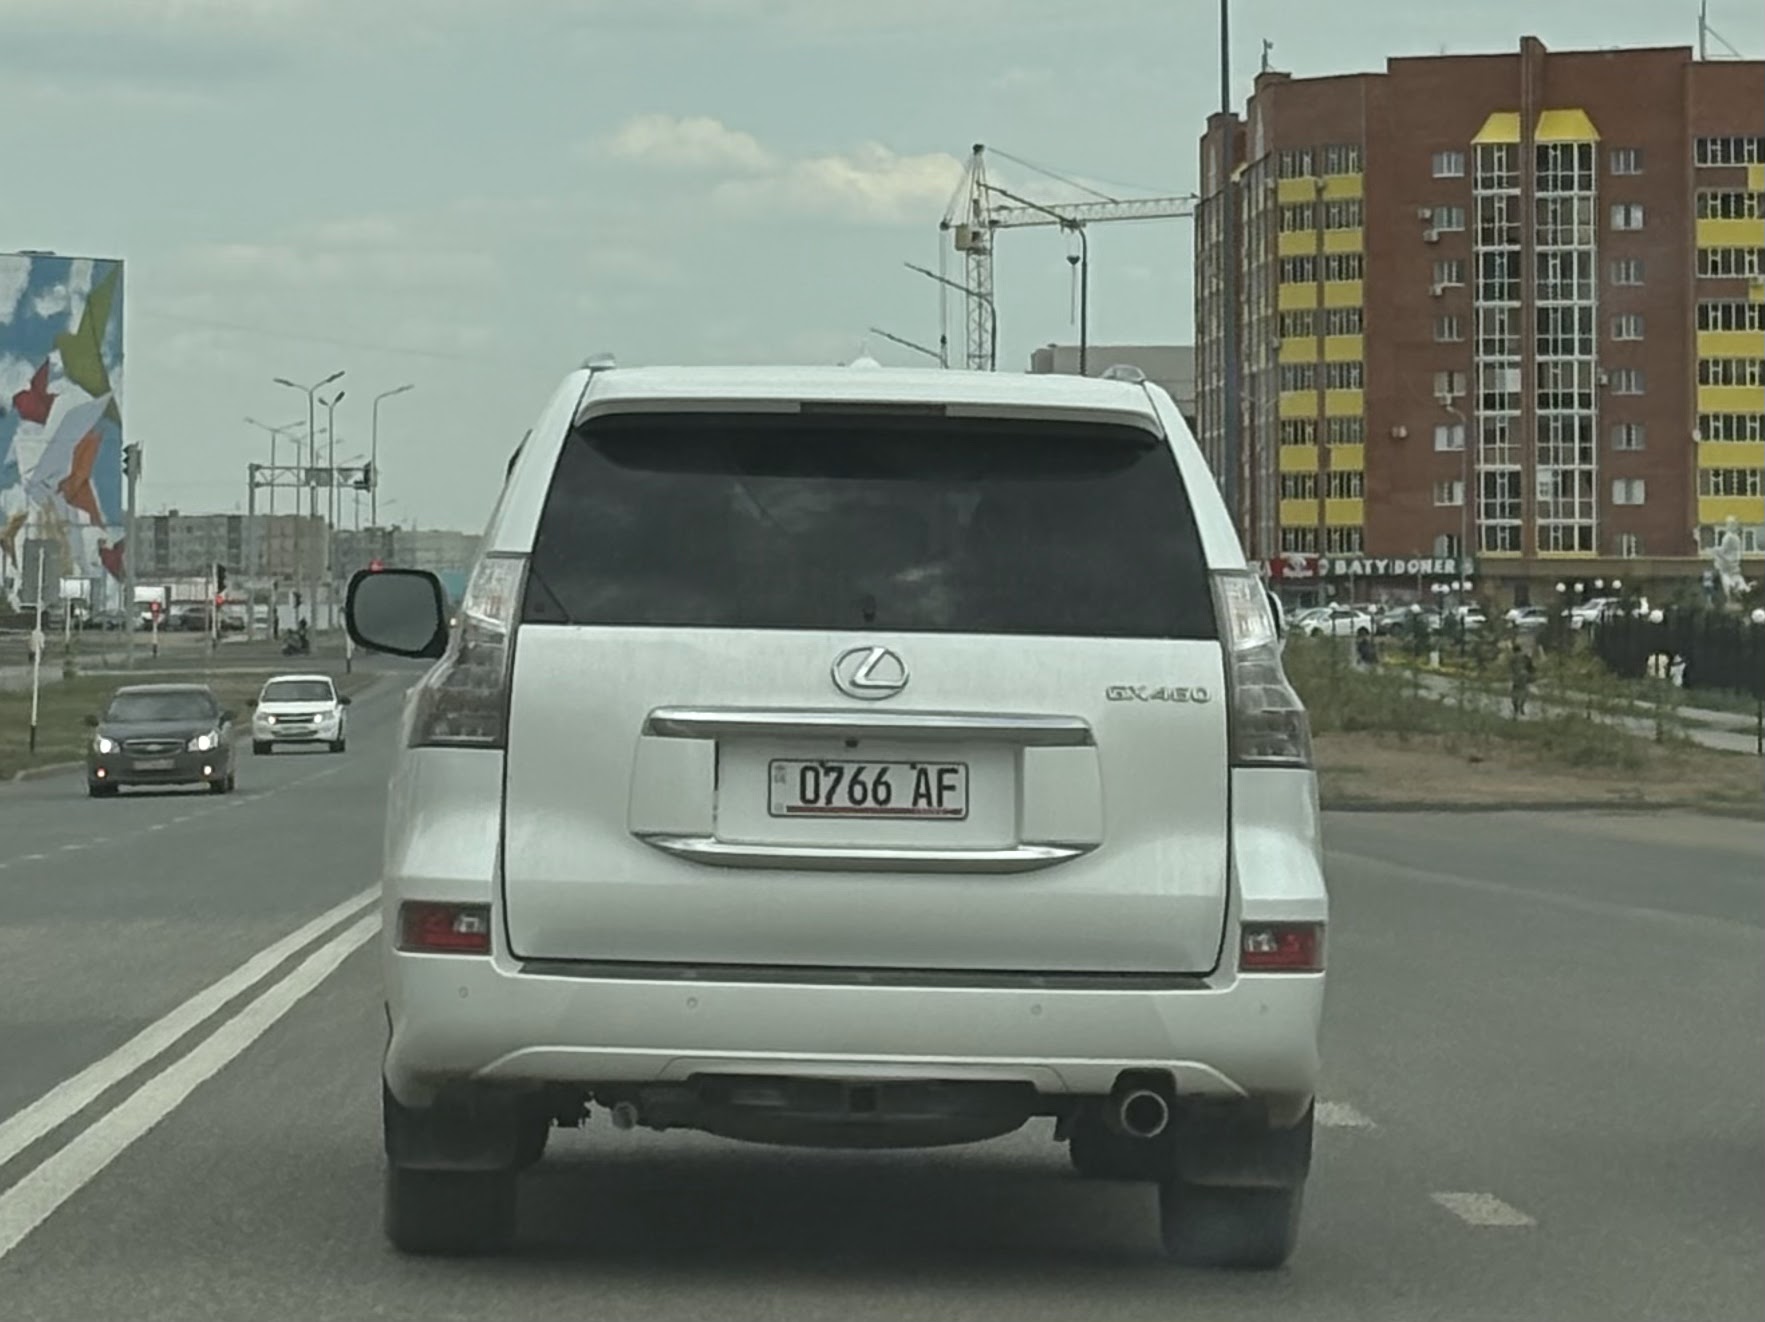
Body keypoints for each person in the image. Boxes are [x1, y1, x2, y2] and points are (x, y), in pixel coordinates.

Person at [1508, 641, 1535, 718]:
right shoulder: (1525, 656)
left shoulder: (1512, 657)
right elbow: (1531, 666)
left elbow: (1511, 668)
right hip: (1524, 675)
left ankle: (1516, 707)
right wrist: (1531, 674)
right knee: (1525, 692)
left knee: (1514, 692)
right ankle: (1521, 706)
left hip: (1516, 677)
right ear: (1520, 649)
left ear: (1513, 650)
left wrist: (1511, 677)